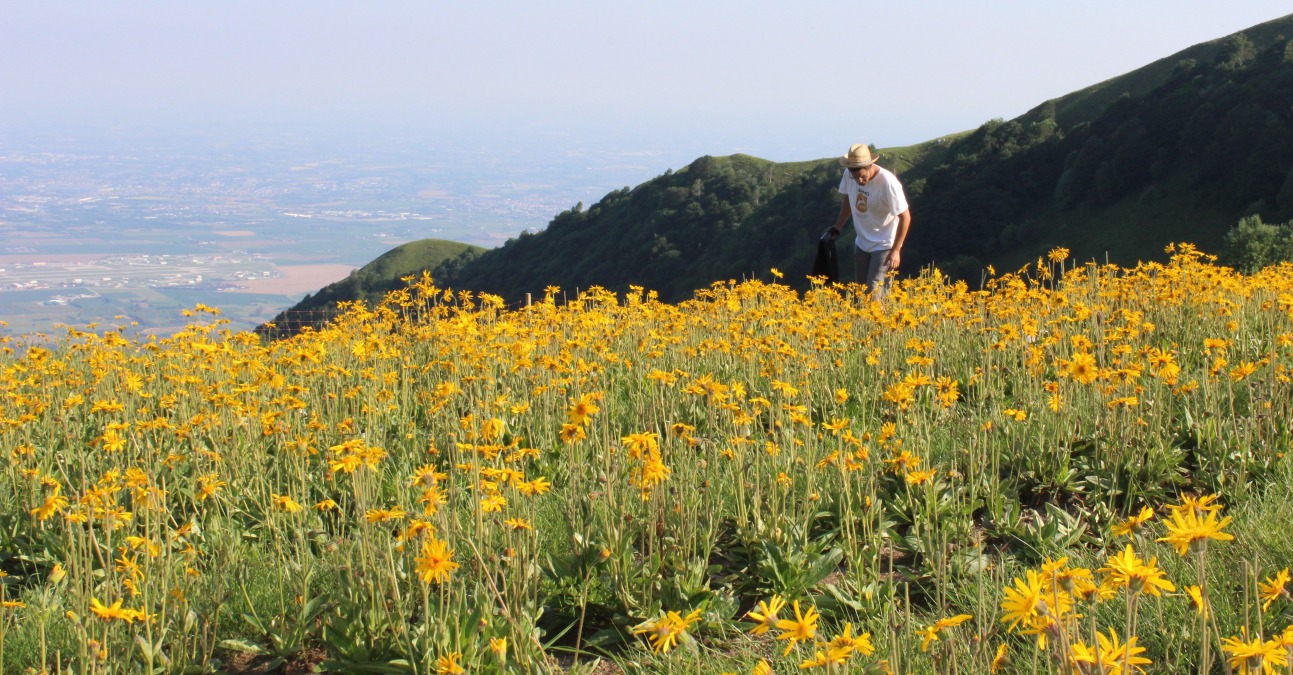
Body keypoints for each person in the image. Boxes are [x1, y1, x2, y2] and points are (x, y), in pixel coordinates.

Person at [828, 143, 911, 300]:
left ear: (870, 166)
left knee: (874, 295)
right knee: (861, 293)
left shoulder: (888, 183)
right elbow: (848, 200)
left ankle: (879, 323)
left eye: (863, 177)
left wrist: (896, 250)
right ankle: (866, 323)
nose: (859, 181)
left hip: (884, 245)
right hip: (862, 243)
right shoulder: (849, 173)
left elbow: (905, 217)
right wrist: (838, 226)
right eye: (856, 177)